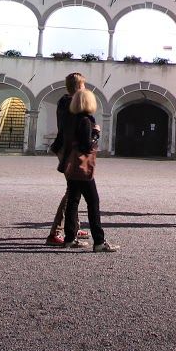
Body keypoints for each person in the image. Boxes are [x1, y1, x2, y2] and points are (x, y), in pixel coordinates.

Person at [61, 86, 117, 252]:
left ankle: (69, 238)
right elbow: (86, 146)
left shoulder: (70, 118)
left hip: (71, 165)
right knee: (93, 202)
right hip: (82, 168)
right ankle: (99, 242)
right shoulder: (85, 120)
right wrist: (96, 134)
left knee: (73, 201)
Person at [47, 72, 91, 246]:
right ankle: (55, 232)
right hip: (70, 150)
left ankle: (73, 226)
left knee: (74, 188)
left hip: (65, 148)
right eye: (83, 85)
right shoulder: (73, 104)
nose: (85, 88)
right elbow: (75, 129)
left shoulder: (64, 101)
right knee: (72, 191)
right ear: (79, 86)